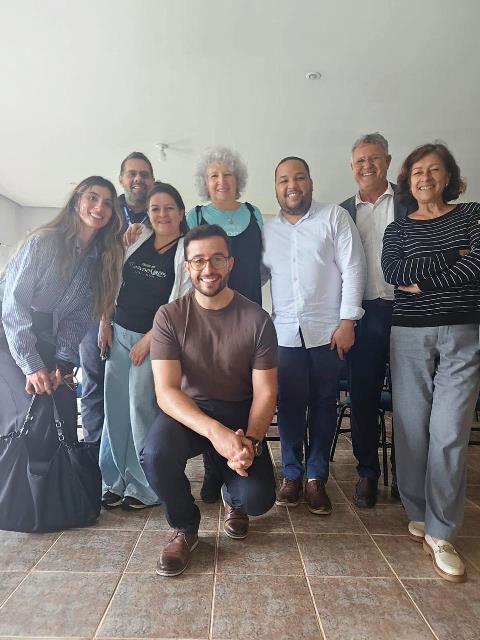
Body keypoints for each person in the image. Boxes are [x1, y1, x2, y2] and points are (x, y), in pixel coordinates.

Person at [141, 224, 277, 576]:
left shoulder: (257, 319)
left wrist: (251, 442)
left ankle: (234, 498)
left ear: (230, 263)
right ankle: (184, 528)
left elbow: (265, 391)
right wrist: (215, 433)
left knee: (257, 499)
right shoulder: (169, 316)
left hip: (239, 414)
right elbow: (166, 392)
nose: (208, 268)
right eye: (199, 260)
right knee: (155, 454)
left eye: (217, 258)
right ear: (187, 267)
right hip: (190, 412)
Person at [381, 142, 480, 583]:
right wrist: (452, 256)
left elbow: (477, 266)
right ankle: (417, 511)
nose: (425, 177)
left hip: (463, 332)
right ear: (408, 180)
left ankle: (442, 532)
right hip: (409, 335)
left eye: (434, 170)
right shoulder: (398, 229)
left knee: (450, 430)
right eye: (417, 171)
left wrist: (425, 280)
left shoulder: (472, 215)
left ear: (449, 176)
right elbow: (395, 273)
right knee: (411, 426)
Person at [263, 156, 366, 514]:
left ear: (310, 182)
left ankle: (316, 477)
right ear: (276, 188)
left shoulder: (334, 217)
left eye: (299, 178)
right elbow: (255, 276)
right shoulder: (267, 231)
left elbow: (354, 269)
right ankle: (291, 475)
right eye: (283, 180)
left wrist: (348, 321)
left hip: (329, 333)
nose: (292, 186)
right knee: (289, 405)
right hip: (285, 335)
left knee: (324, 404)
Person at [0, 177, 124, 452]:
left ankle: (57, 478)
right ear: (77, 201)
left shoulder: (99, 261)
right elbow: (14, 305)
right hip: (8, 334)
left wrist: (62, 365)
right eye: (92, 198)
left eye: (107, 203)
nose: (99, 207)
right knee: (29, 410)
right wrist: (32, 365)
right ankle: (17, 477)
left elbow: (77, 319)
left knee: (63, 408)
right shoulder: (43, 242)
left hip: (45, 335)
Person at [98, 182, 191, 509]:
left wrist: (150, 339)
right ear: (147, 214)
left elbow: (182, 303)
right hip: (118, 333)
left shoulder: (186, 250)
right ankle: (113, 480)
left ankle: (144, 486)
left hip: (156, 340)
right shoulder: (137, 238)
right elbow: (113, 281)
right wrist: (105, 321)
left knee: (141, 410)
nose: (162, 214)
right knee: (115, 409)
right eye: (155, 209)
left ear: (181, 212)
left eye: (169, 208)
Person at [186, 146, 265, 503]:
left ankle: (243, 457)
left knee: (246, 391)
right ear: (205, 182)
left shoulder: (255, 214)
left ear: (238, 179)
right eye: (214, 175)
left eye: (228, 174)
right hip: (208, 318)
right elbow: (187, 268)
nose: (221, 181)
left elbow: (265, 266)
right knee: (210, 392)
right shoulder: (196, 215)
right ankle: (213, 468)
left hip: (248, 316)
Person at [340, 133, 414, 507]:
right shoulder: (342, 212)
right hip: (363, 314)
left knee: (410, 398)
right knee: (363, 396)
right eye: (360, 161)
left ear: (387, 160)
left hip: (407, 311)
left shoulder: (410, 201)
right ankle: (368, 472)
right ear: (352, 167)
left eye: (374, 159)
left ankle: (405, 475)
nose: (367, 166)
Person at [79, 152, 155, 444]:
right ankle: (93, 453)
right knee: (95, 385)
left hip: (140, 320)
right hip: (97, 313)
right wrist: (104, 319)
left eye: (144, 174)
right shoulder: (108, 213)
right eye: (132, 173)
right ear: (122, 178)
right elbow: (102, 269)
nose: (138, 179)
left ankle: (132, 453)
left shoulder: (160, 214)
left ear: (152, 180)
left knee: (137, 391)